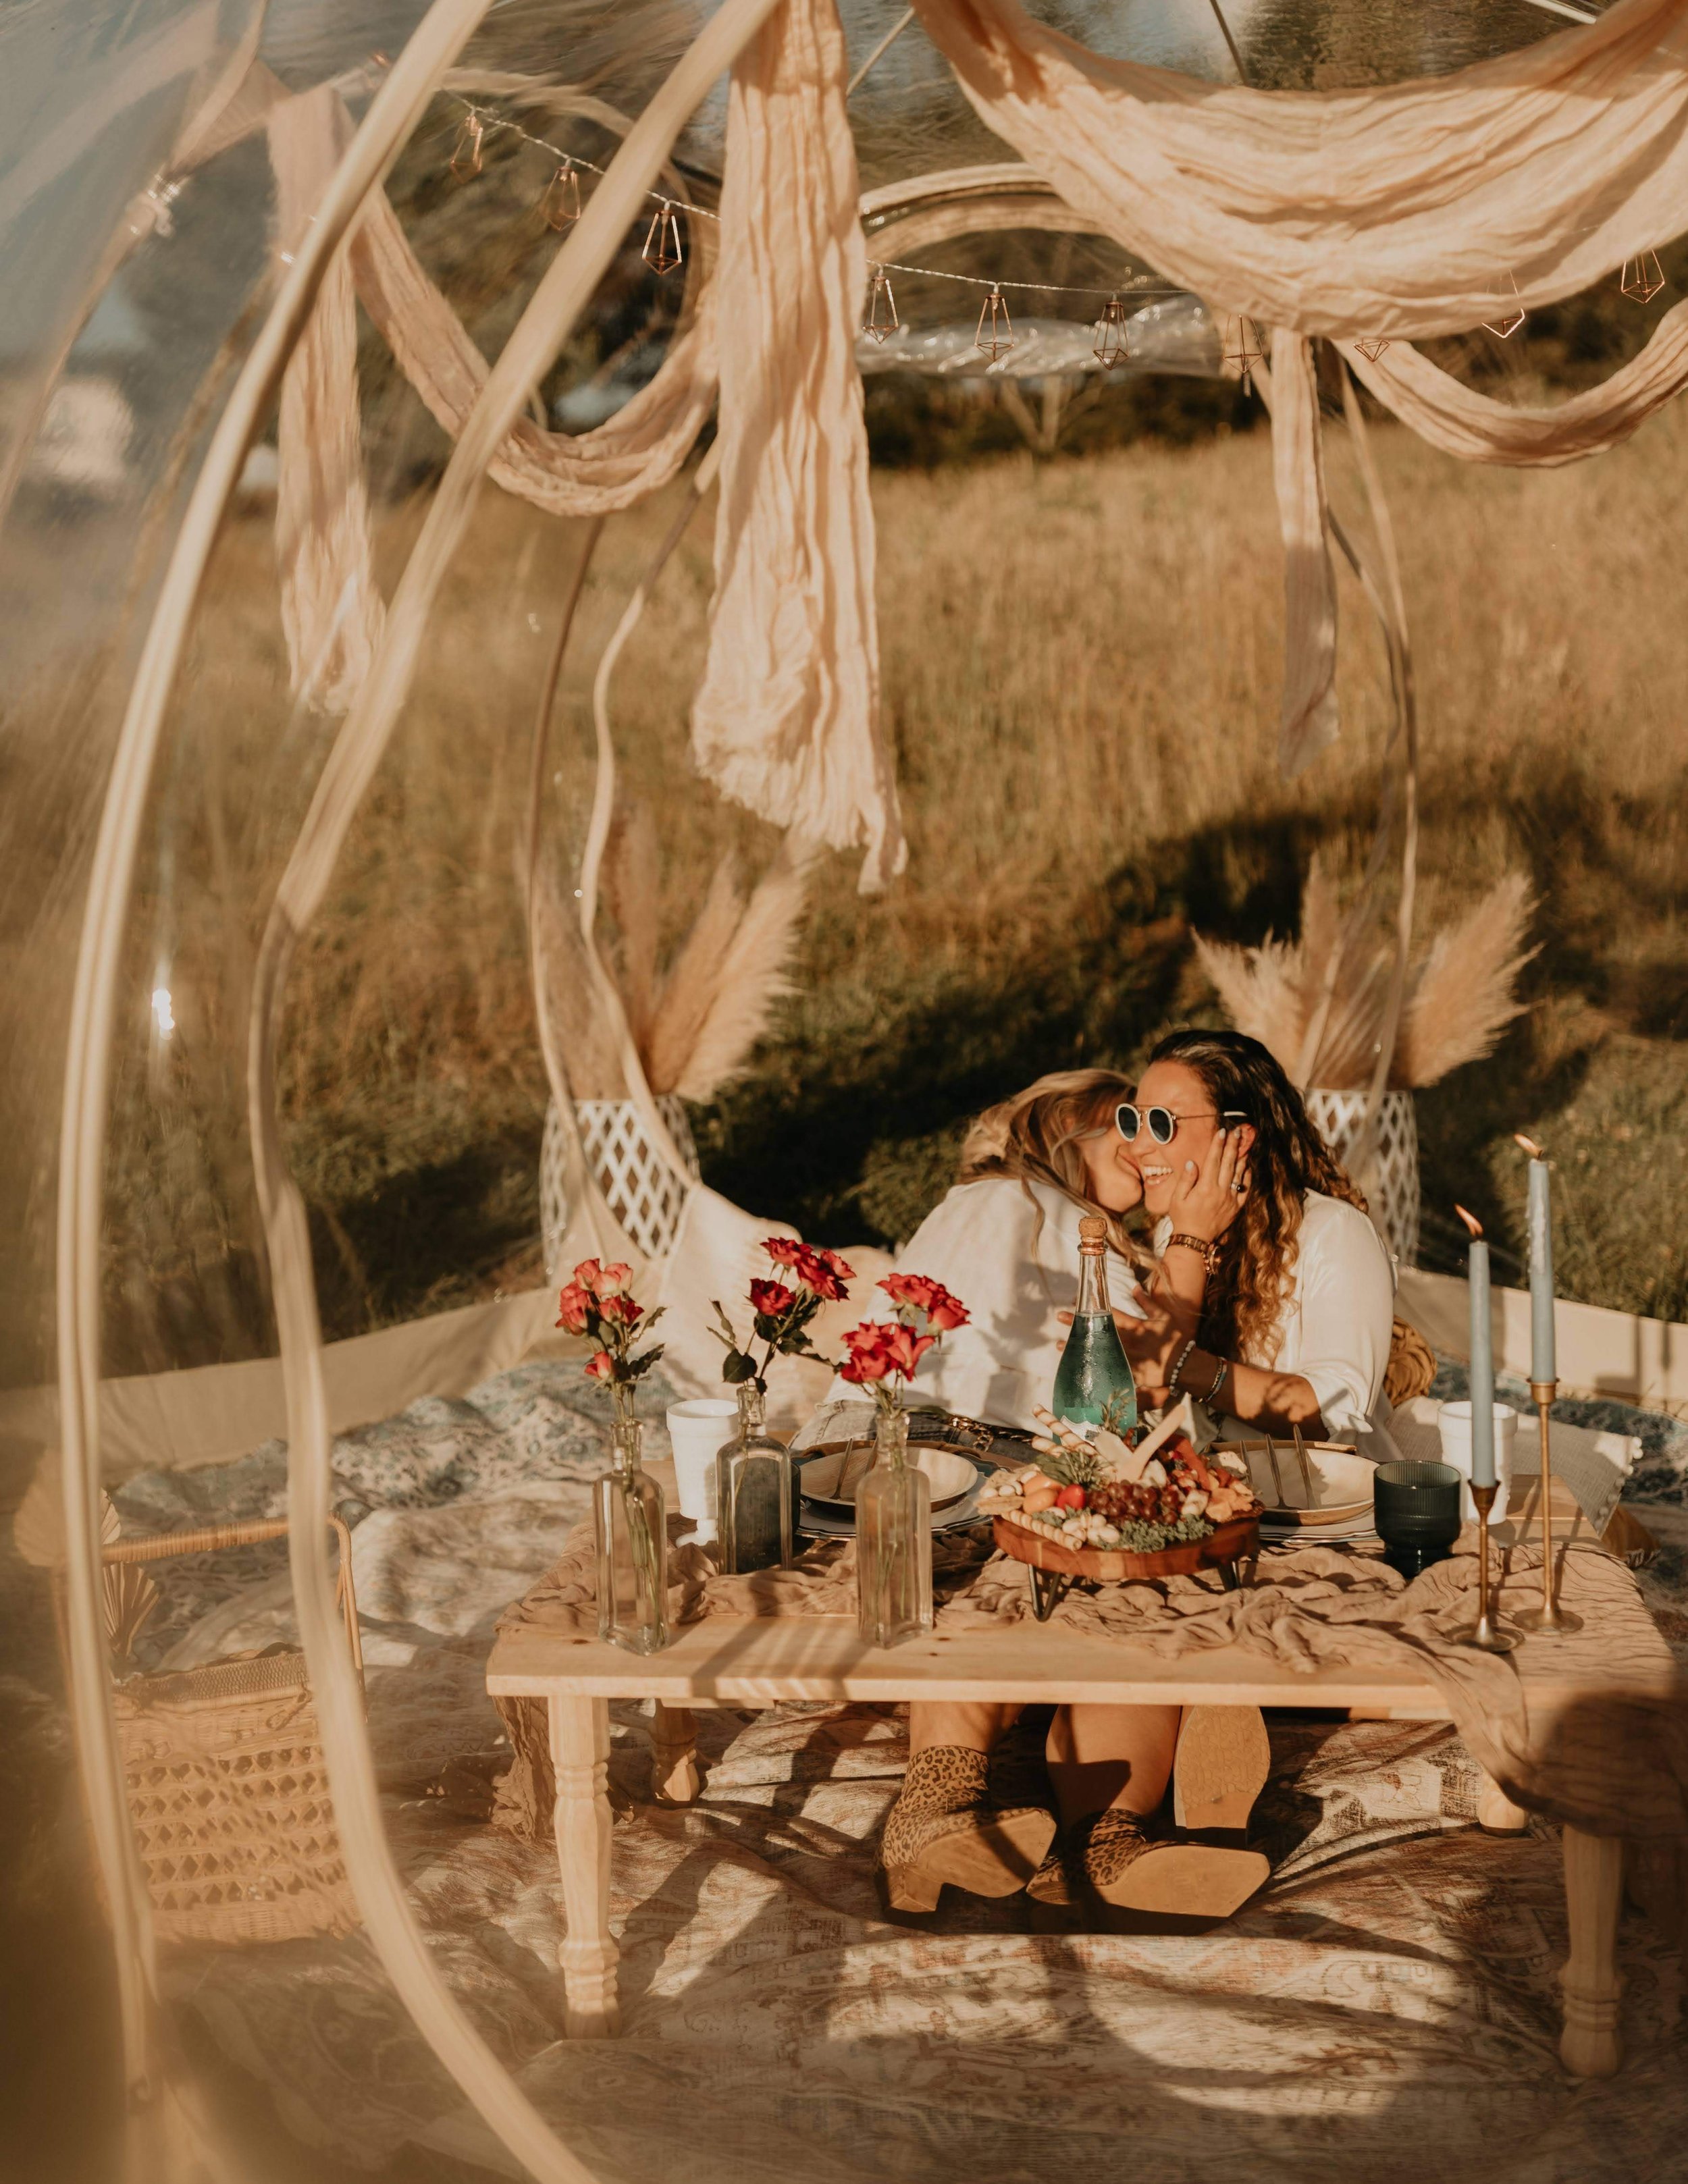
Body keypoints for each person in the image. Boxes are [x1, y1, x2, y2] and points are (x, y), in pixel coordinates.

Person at [879, 1030, 1396, 1920]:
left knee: (1144, 1604)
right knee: (1061, 1581)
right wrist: (1184, 1255)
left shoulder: (1330, 1233)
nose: (1142, 1141)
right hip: (1171, 1501)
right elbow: (1126, 1395)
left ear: (1241, 1137)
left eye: (1160, 1120)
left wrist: (1188, 1357)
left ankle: (1101, 1840)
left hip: (1301, 1510)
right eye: (1128, 1119)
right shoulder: (1157, 1247)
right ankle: (950, 1810)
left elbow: (1325, 1405)